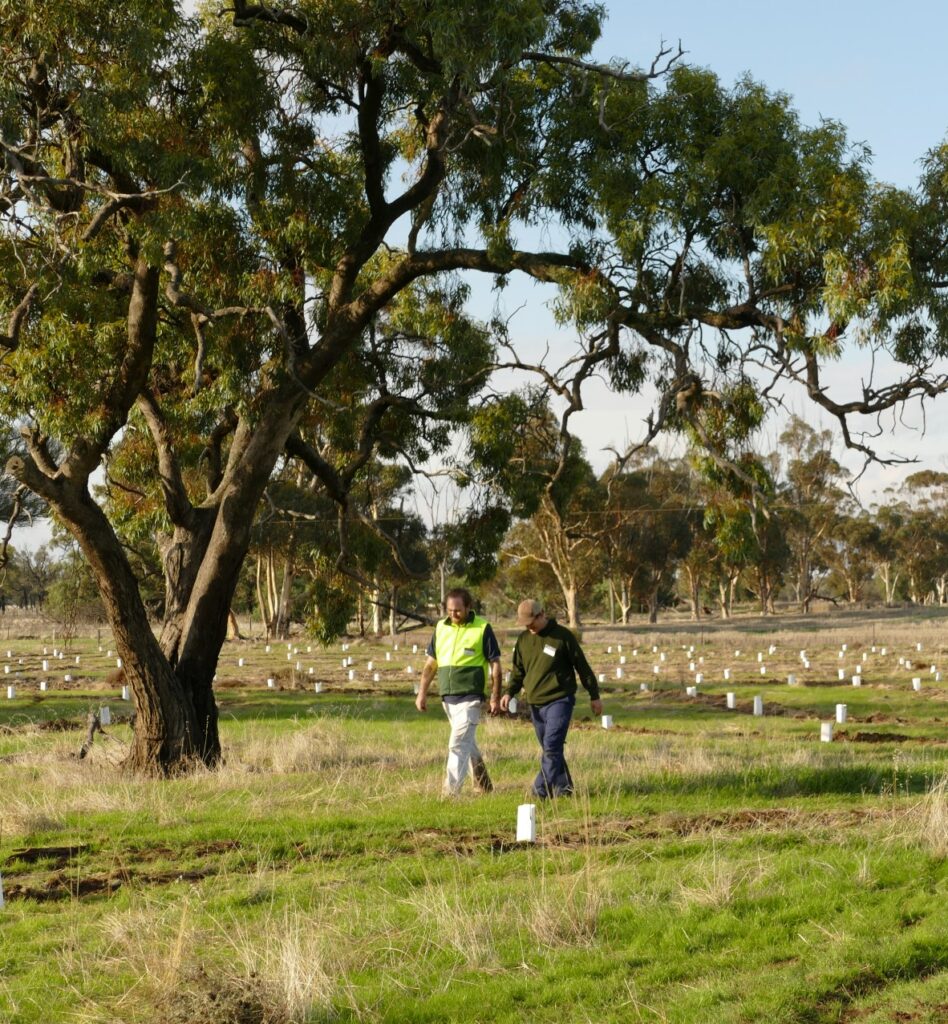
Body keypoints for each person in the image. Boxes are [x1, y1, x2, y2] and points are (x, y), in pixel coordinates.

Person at [500, 599, 602, 798]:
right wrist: (508, 692)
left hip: (560, 700)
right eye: (524, 623)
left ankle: (540, 792)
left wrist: (594, 696)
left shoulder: (562, 637)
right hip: (535, 703)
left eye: (531, 622)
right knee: (551, 750)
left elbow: (582, 666)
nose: (528, 627)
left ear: (542, 614)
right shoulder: (523, 640)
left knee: (552, 746)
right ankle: (564, 789)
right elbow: (518, 672)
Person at [415, 588, 502, 796]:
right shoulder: (441, 628)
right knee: (467, 742)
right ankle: (484, 785)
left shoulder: (482, 628)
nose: (453, 614)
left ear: (468, 607)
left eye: (458, 610)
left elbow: (496, 665)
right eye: (449, 610)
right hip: (448, 698)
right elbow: (430, 665)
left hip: (471, 697)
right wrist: (422, 693)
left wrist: (495, 697)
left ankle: (451, 793)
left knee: (457, 744)